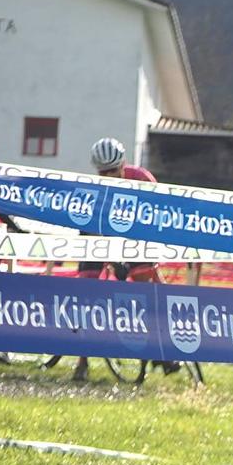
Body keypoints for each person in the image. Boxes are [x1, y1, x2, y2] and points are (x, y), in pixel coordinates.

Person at [73, 137, 158, 382]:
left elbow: (157, 215)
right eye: (104, 172)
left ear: (123, 164)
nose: (110, 176)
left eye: (114, 170)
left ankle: (160, 345)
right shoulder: (92, 188)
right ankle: (82, 361)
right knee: (86, 290)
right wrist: (112, 257)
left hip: (135, 238)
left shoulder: (142, 179)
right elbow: (90, 230)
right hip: (100, 238)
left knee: (146, 282)